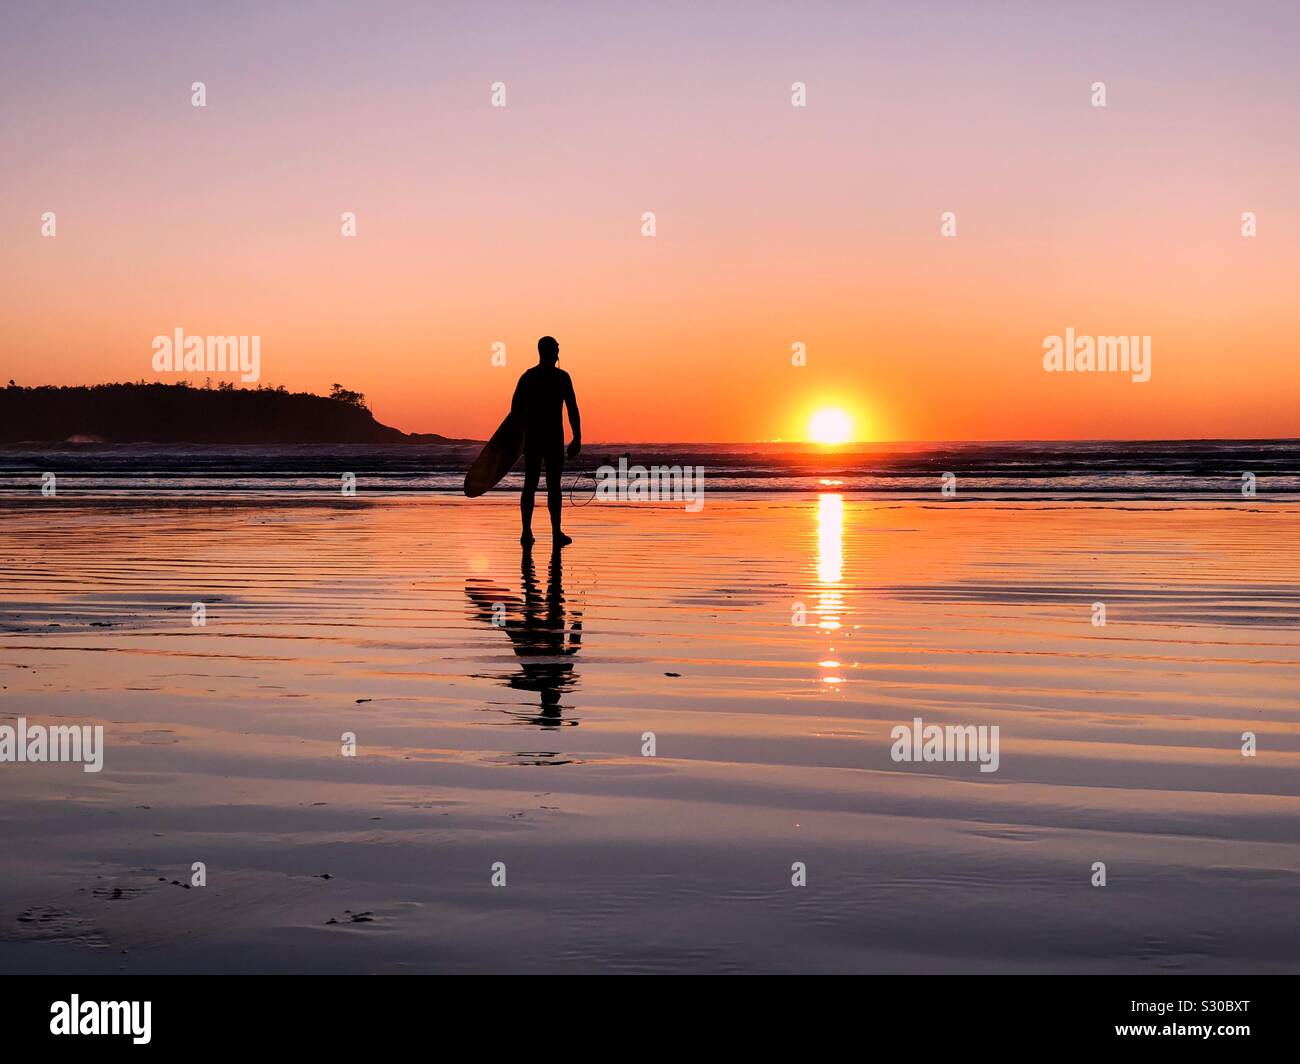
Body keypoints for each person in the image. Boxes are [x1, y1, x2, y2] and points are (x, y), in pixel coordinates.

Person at [511, 336, 580, 547]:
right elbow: (572, 409)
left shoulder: (528, 377)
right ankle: (553, 533)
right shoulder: (561, 377)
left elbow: (515, 411)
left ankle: (527, 533)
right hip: (551, 439)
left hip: (534, 439)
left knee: (531, 485)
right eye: (556, 349)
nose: (559, 353)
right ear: (548, 351)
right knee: (552, 486)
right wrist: (577, 437)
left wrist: (517, 441)